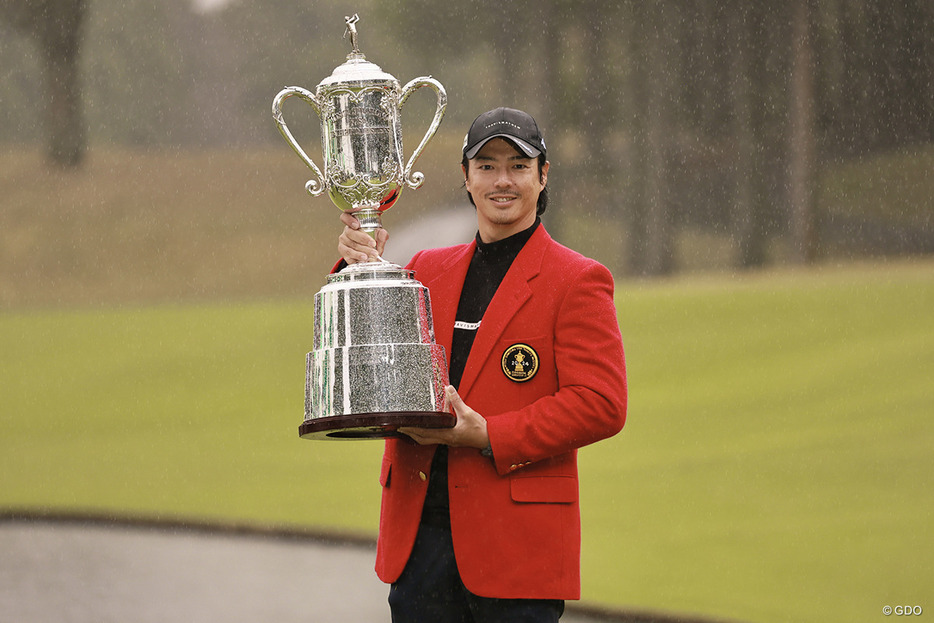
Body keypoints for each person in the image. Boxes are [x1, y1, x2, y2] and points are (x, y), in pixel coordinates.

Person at [337, 107, 627, 622]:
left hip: (516, 552)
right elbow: (371, 367)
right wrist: (359, 269)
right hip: (419, 546)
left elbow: (601, 404)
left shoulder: (578, 280)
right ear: (466, 179)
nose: (503, 181)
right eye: (487, 166)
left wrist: (486, 433)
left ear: (543, 176)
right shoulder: (425, 270)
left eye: (518, 165)